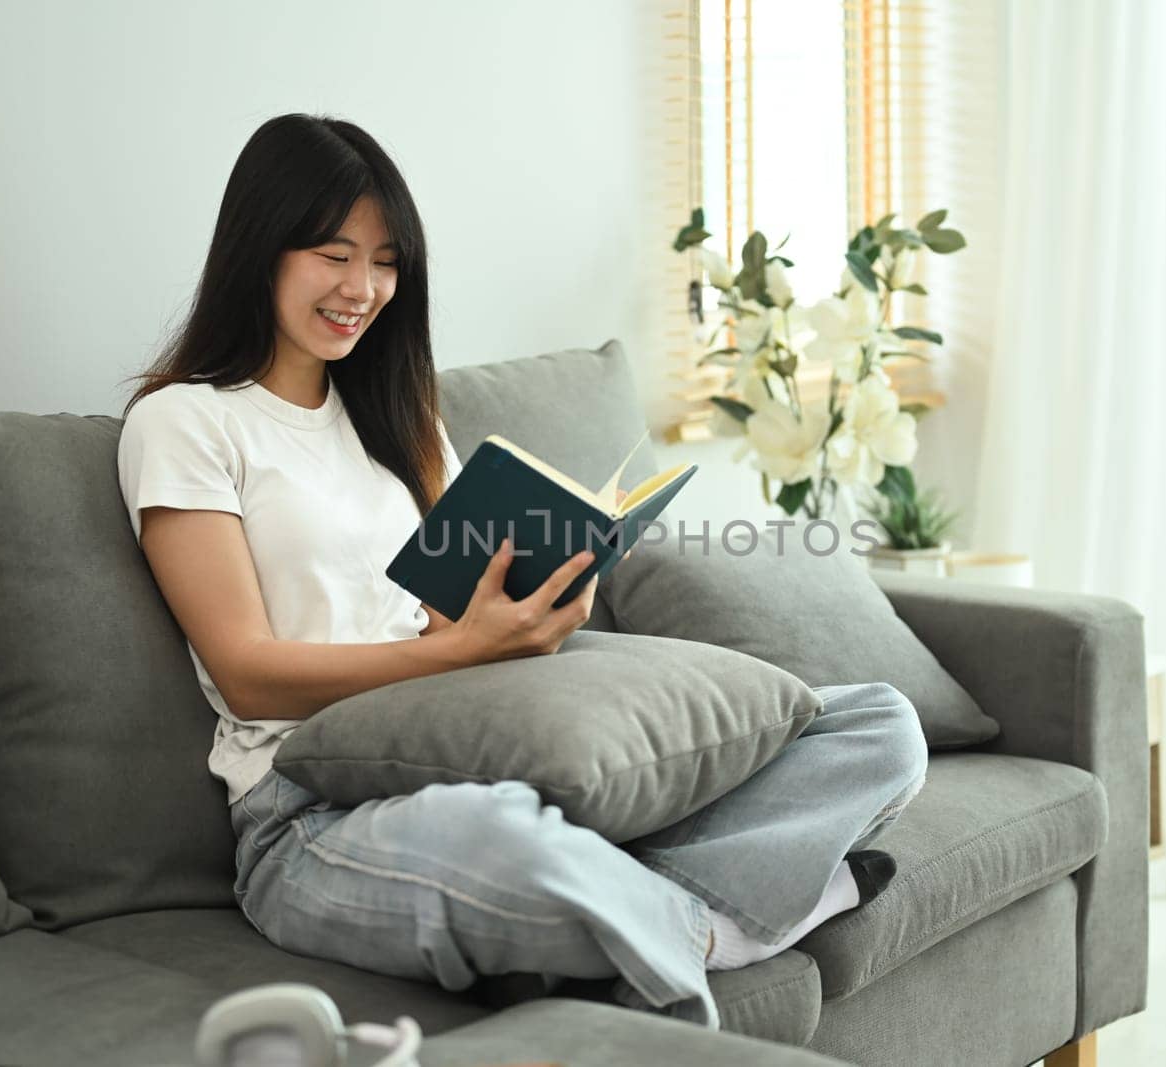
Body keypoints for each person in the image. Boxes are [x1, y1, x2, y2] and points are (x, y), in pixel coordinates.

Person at [115, 112, 929, 1031]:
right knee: (511, 844)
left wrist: (539, 611)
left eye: (386, 262)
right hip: (309, 814)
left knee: (873, 725)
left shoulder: (402, 420)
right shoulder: (186, 423)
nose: (364, 287)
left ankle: (645, 915)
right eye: (333, 254)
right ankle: (709, 925)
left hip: (463, 752)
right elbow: (246, 668)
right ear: (260, 249)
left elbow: (453, 621)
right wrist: (461, 655)